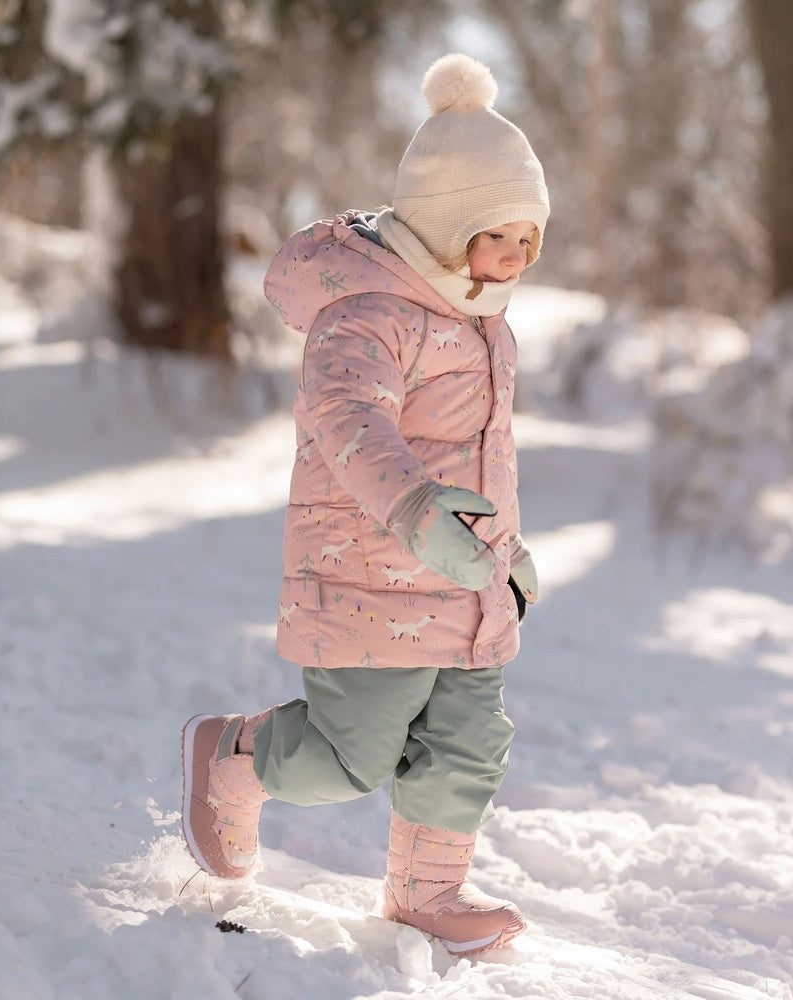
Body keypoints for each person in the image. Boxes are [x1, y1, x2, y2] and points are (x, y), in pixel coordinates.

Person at [181, 52, 548, 957]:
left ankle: (428, 892)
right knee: (351, 756)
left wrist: (507, 550)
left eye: (529, 241)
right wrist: (421, 512)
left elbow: (483, 459)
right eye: (494, 236)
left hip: (465, 584)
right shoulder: (369, 312)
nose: (512, 258)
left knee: (468, 748)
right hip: (368, 578)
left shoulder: (485, 326)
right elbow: (347, 422)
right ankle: (232, 756)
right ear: (440, 225)